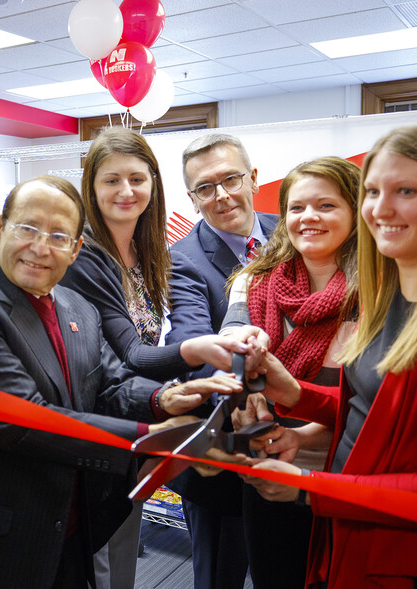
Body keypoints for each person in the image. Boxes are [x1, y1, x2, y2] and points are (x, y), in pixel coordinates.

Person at [246, 123, 417, 588]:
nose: (381, 208)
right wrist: (298, 394)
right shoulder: (392, 299)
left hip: (411, 564)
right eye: (372, 191)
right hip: (353, 542)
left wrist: (307, 489)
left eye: (407, 190)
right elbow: (383, 418)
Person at [0, 175, 243, 589]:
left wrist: (166, 397)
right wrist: (151, 436)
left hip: (76, 523)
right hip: (12, 534)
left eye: (59, 235)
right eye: (28, 228)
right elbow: (23, 421)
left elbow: (111, 384)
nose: (41, 247)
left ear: (76, 248)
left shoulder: (75, 304)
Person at [60, 127, 257, 589]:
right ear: (91, 186)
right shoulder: (86, 255)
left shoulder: (151, 253)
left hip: (142, 420)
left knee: (121, 557)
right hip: (103, 425)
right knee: (100, 563)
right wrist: (198, 354)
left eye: (137, 178)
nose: (126, 191)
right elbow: (129, 352)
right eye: (111, 180)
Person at [219, 156, 361, 588]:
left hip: (343, 481)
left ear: (357, 213)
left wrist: (302, 437)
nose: (309, 218)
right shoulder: (254, 280)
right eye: (297, 208)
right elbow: (234, 350)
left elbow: (372, 409)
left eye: (326, 206)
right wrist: (246, 388)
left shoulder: (380, 292)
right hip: (266, 474)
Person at [166, 133, 278, 589]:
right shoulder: (181, 261)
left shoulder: (288, 231)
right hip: (220, 452)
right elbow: (192, 344)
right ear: (193, 200)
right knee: (219, 577)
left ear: (253, 179)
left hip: (294, 442)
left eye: (230, 179)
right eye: (205, 188)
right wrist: (244, 377)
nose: (222, 196)